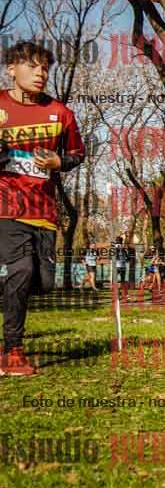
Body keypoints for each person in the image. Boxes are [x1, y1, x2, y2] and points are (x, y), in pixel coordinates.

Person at [0, 41, 86, 376]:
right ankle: (12, 351)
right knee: (21, 269)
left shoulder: (60, 113)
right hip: (6, 206)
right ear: (11, 69)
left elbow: (77, 154)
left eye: (45, 68)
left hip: (44, 211)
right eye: (32, 66)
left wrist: (58, 162)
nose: (41, 73)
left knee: (43, 282)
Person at [112, 237, 131, 304]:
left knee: (119, 281)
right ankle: (122, 294)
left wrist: (123, 251)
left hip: (120, 266)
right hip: (119, 266)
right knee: (120, 281)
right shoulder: (117, 248)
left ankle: (123, 294)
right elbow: (127, 258)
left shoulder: (122, 248)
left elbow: (128, 258)